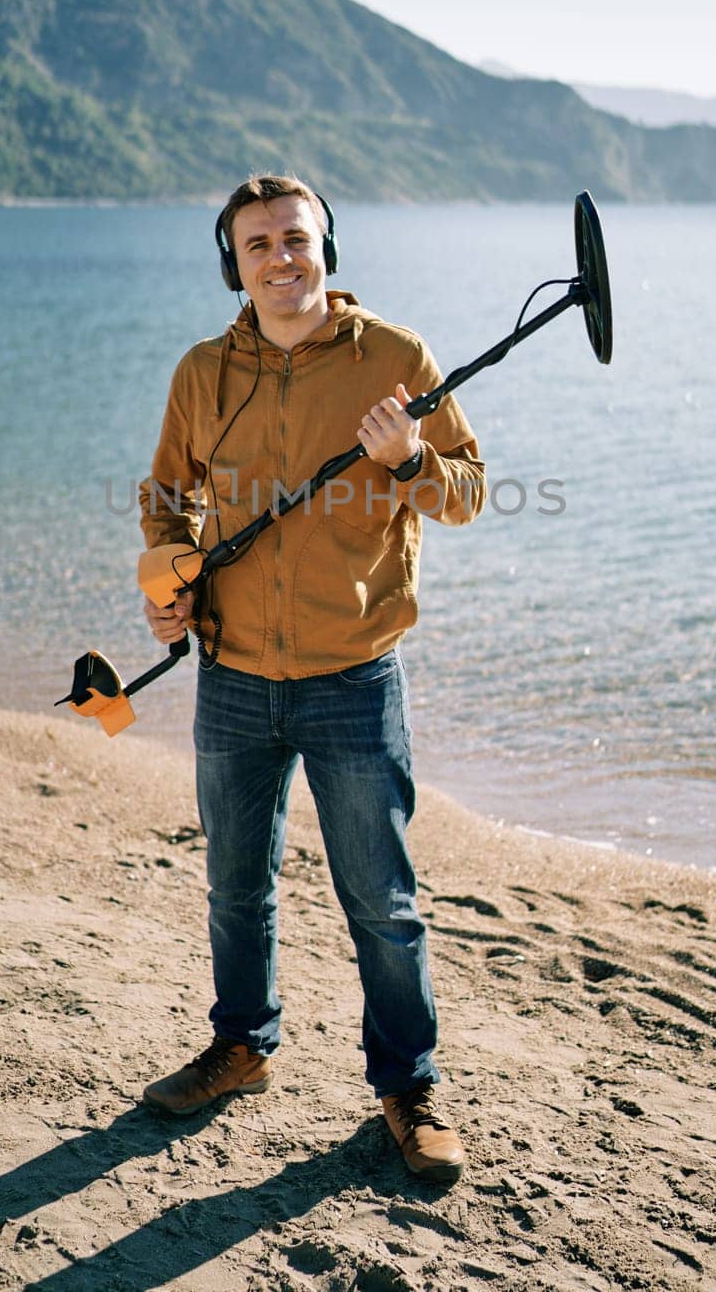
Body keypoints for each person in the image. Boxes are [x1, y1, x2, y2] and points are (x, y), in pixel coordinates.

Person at [137, 174, 485, 1183]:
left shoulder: (395, 359)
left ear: (327, 246)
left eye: (296, 239)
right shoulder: (204, 371)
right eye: (258, 246)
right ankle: (240, 1046)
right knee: (235, 887)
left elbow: (464, 491)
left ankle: (407, 1087)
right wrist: (168, 580)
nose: (281, 260)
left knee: (381, 899)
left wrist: (411, 455)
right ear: (230, 264)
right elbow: (166, 496)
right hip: (233, 676)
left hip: (352, 679)